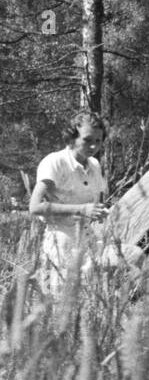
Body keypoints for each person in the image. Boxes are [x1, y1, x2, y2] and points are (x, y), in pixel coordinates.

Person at [28, 111, 110, 292]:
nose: (93, 146)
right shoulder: (54, 162)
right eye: (87, 140)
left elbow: (94, 203)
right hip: (61, 243)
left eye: (98, 140)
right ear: (71, 138)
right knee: (61, 302)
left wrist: (99, 212)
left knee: (88, 299)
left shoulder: (95, 165)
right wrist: (82, 209)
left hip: (89, 242)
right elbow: (35, 207)